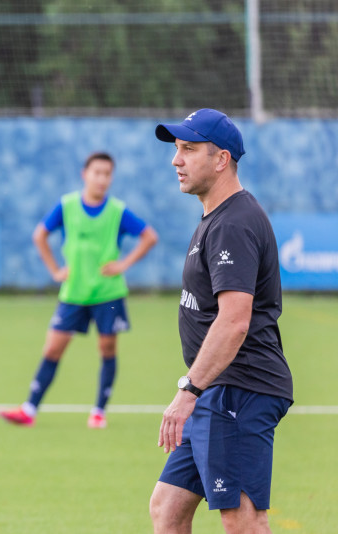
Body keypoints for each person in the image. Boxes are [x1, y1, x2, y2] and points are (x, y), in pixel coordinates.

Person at [150, 109, 293, 534]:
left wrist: (188, 390)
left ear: (221, 159)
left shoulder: (233, 223)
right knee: (168, 508)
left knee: (243, 519)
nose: (176, 160)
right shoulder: (218, 217)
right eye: (177, 149)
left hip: (240, 388)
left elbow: (234, 321)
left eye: (188, 149)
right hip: (218, 388)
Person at [0, 152, 158, 428]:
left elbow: (149, 236)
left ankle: (99, 411)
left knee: (107, 348)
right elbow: (39, 235)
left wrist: (123, 264)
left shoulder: (117, 211)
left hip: (108, 293)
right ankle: (29, 409)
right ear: (85, 174)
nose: (102, 179)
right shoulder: (67, 206)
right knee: (53, 348)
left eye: (107, 174)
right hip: (73, 292)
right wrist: (55, 271)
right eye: (97, 172)